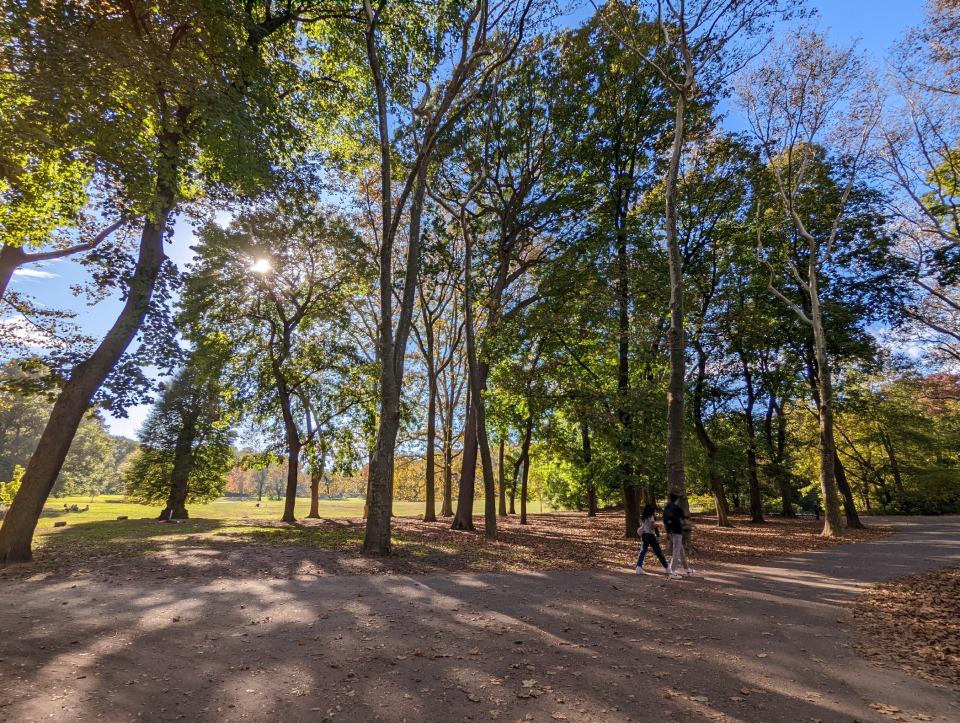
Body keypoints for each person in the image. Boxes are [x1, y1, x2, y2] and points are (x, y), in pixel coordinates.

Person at [636, 503, 677, 578]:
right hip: (650, 536)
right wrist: (658, 525)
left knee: (643, 551)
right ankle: (667, 569)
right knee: (659, 552)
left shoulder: (643, 517)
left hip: (644, 535)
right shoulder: (651, 516)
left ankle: (638, 567)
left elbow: (644, 526)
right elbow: (652, 526)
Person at [663, 492, 696, 576]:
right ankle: (672, 570)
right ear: (677, 500)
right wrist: (692, 525)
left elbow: (665, 520)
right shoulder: (677, 508)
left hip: (671, 531)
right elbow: (684, 519)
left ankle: (687, 569)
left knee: (681, 550)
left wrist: (667, 532)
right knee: (676, 550)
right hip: (677, 531)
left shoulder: (666, 507)